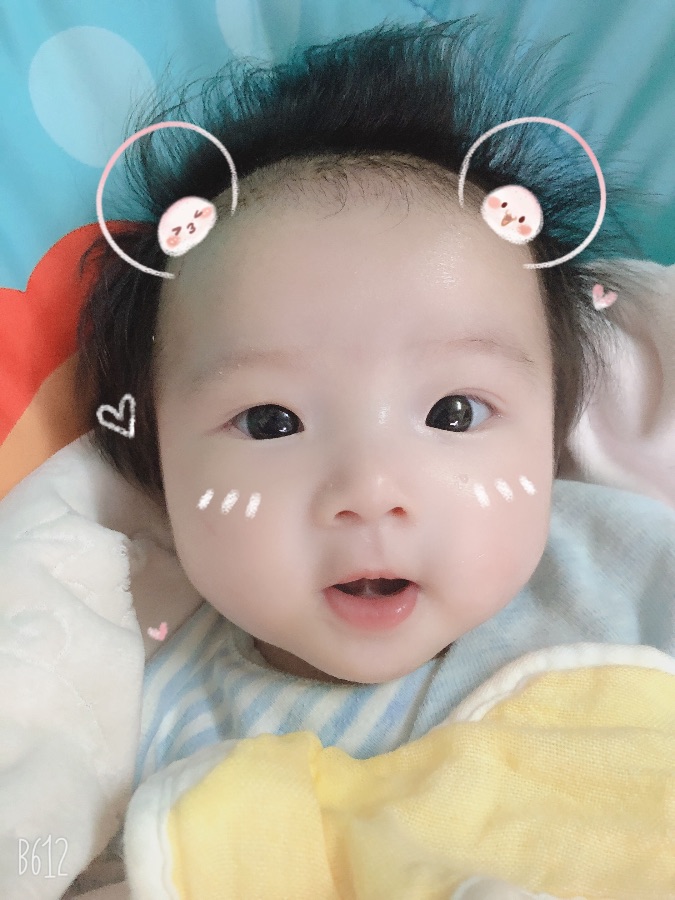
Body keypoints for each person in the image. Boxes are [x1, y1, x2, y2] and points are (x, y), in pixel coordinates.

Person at [75, 17, 675, 791]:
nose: (368, 491)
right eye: (270, 422)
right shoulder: (134, 723)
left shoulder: (623, 578)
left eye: (454, 413)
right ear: (154, 458)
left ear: (550, 436)